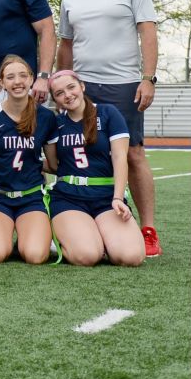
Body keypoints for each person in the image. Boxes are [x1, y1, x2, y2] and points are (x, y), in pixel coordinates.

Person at [56, 0, 163, 257]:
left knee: (133, 154)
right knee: (82, 151)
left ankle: (147, 230)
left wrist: (148, 77)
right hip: (82, 86)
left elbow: (147, 30)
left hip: (123, 84)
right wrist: (60, 81)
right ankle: (88, 220)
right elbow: (66, 43)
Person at [45, 70, 144, 266]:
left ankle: (100, 237)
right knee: (87, 256)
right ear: (56, 99)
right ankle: (61, 239)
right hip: (69, 198)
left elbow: (119, 158)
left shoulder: (108, 113)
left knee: (131, 257)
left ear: (82, 86)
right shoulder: (56, 124)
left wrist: (118, 198)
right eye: (59, 93)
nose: (67, 94)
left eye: (71, 87)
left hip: (106, 197)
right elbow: (54, 165)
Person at [0, 55, 57, 264]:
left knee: (35, 256)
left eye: (23, 75)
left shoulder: (45, 117)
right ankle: (6, 235)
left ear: (31, 79)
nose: (17, 82)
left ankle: (27, 235)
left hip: (31, 196)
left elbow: (54, 164)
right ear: (2, 82)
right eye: (10, 77)